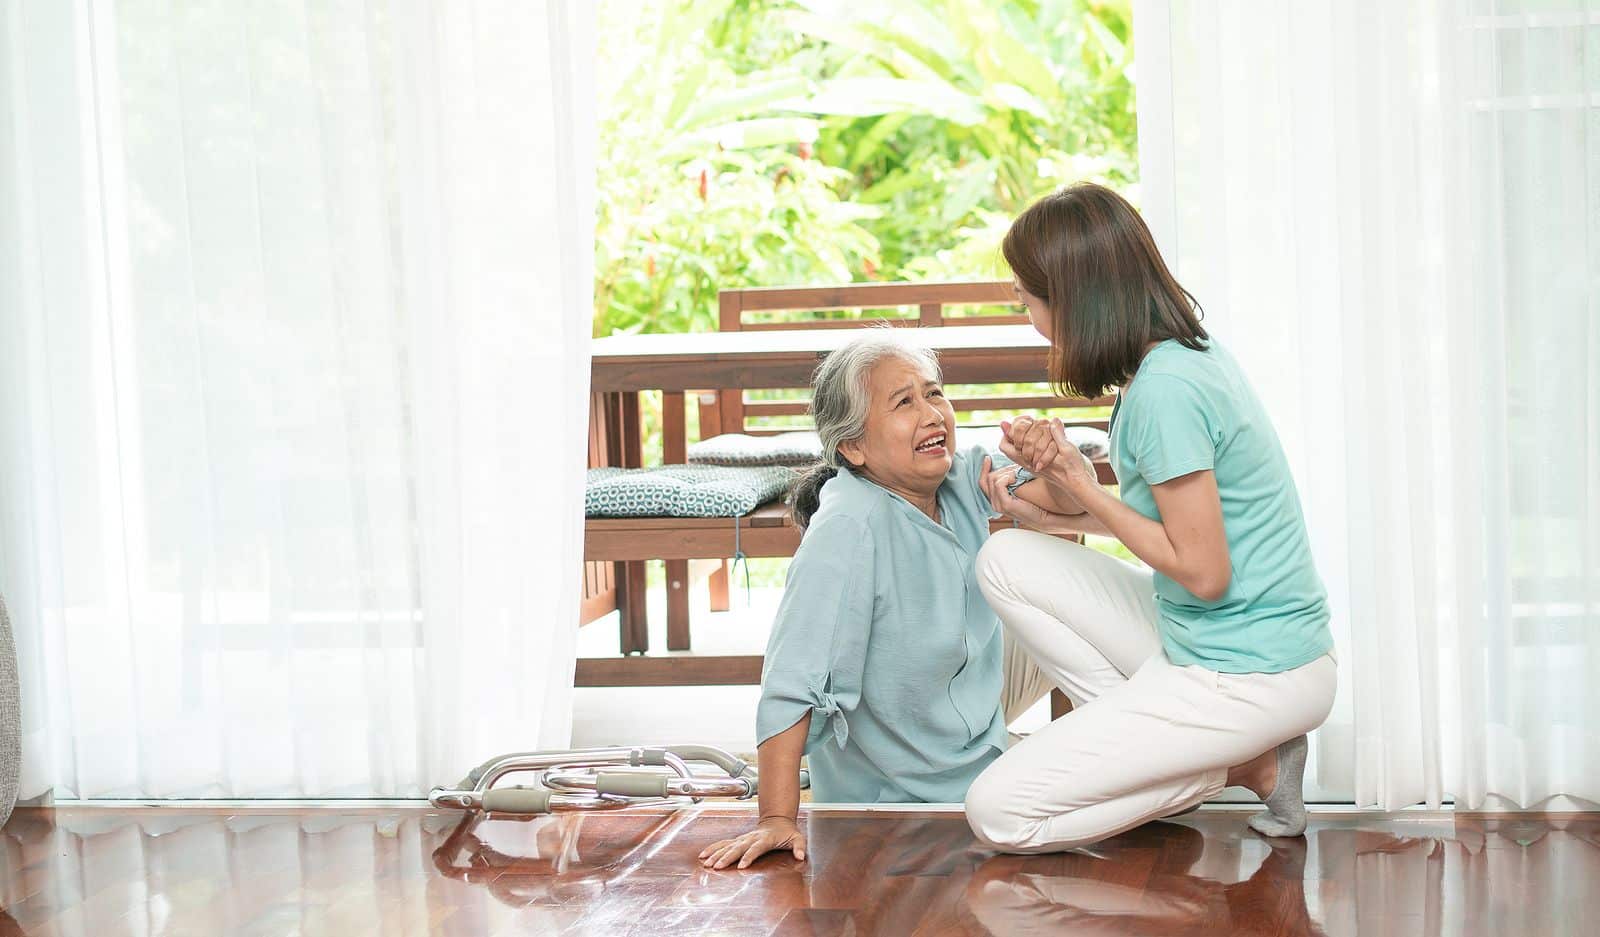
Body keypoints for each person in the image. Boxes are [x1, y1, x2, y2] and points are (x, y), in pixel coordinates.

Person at [963, 182, 1336, 853]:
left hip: (1250, 670)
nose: (1024, 309)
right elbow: (1173, 530)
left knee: (997, 813)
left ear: (1071, 298)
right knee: (1005, 560)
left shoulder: (1166, 390)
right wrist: (1045, 495)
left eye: (1026, 294)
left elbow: (1204, 570)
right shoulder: (1169, 361)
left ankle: (1243, 763)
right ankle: (1182, 755)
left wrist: (1082, 483)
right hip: (1210, 638)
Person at [699, 329, 1086, 870]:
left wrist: (1053, 461)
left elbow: (1074, 504)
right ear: (852, 447)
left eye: (934, 393)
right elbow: (792, 680)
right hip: (907, 790)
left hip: (968, 693)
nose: (932, 413)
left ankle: (1127, 733)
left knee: (1077, 600)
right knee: (1105, 802)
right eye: (904, 402)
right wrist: (777, 819)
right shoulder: (847, 528)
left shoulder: (956, 475)